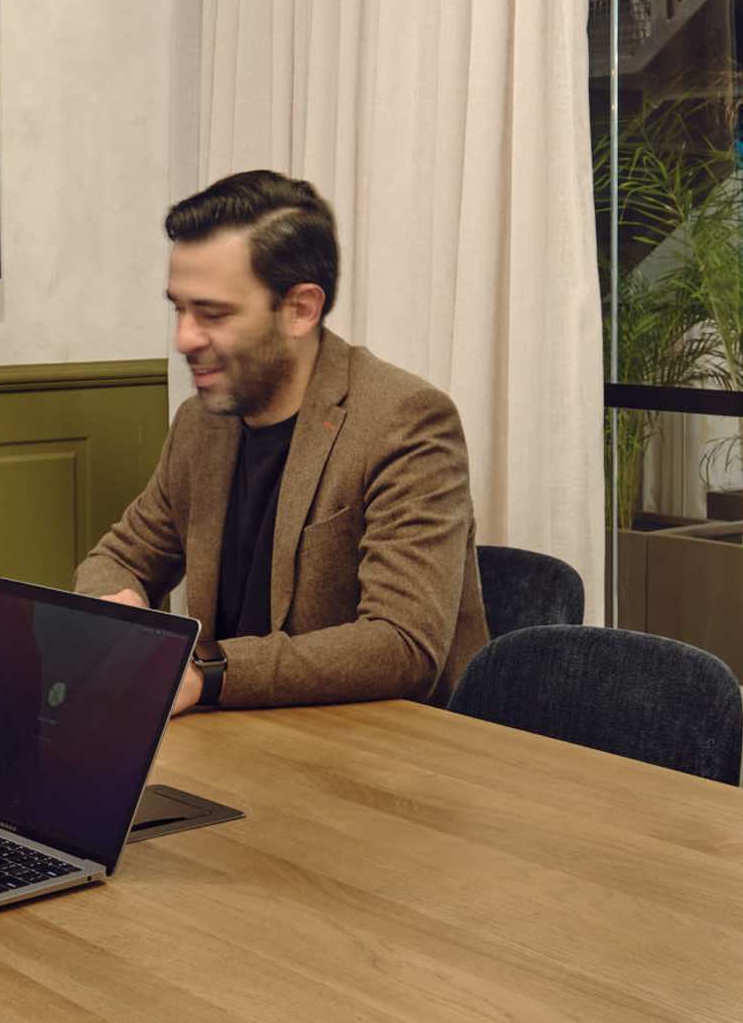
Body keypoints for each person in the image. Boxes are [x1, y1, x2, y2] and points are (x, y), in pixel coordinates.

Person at [77, 169, 490, 707]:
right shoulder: (201, 424)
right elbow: (119, 556)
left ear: (300, 310)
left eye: (213, 313)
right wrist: (119, 602)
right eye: (179, 308)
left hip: (382, 756)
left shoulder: (405, 420)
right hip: (235, 739)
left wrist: (207, 673)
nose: (183, 338)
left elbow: (402, 644)